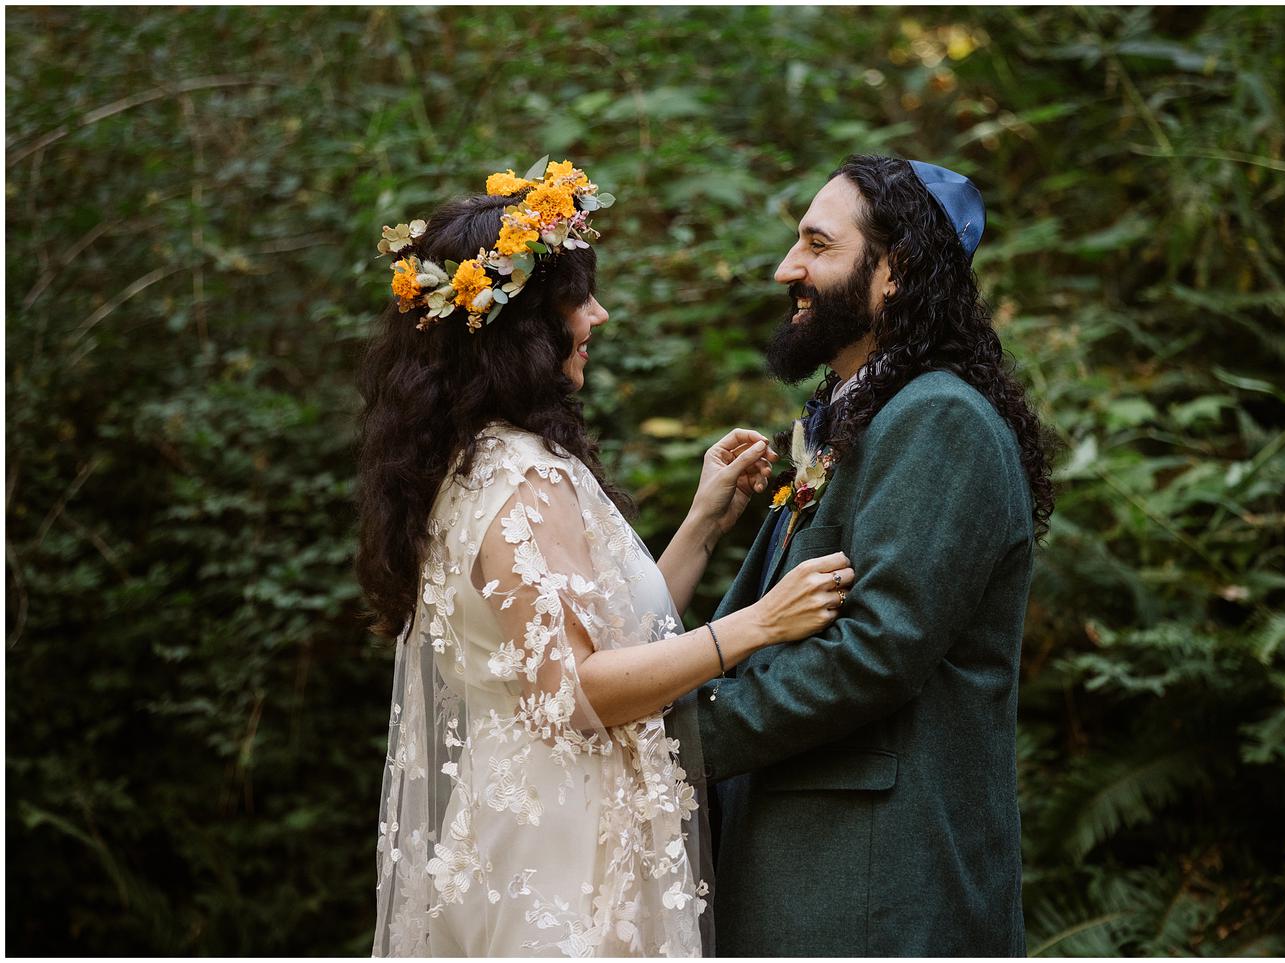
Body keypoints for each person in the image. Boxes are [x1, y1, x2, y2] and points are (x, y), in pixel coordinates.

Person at [356, 159, 854, 957]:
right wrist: (757, 625)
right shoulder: (525, 477)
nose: (600, 315)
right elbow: (580, 691)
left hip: (514, 815)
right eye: (578, 301)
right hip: (564, 833)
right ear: (526, 328)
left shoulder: (472, 463)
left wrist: (701, 522)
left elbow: (603, 637)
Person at [694, 155, 1055, 956]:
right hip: (811, 873)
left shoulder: (938, 421)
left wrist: (684, 734)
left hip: (875, 891)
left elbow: (875, 648)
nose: (788, 267)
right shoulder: (858, 419)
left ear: (894, 273)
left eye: (817, 245)